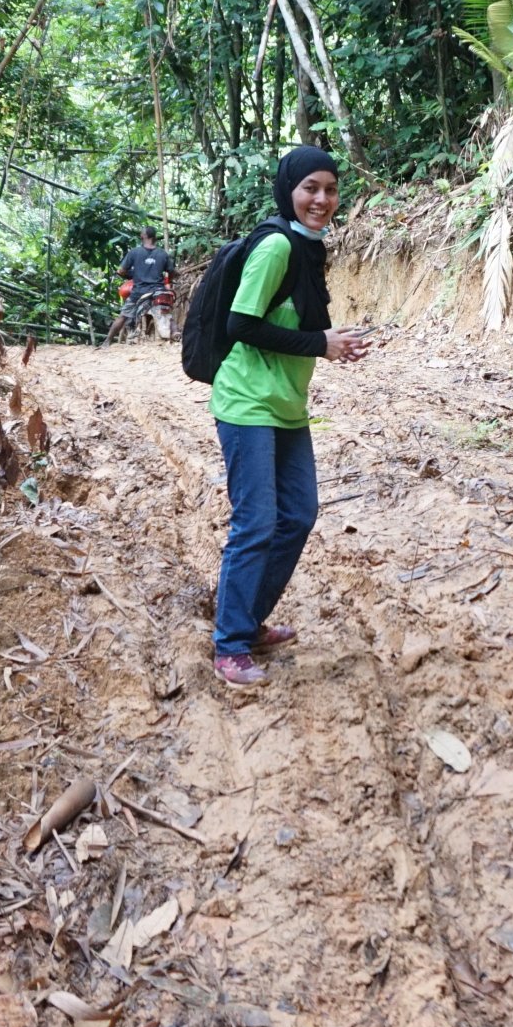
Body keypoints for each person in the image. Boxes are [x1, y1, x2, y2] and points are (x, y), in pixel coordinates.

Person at [208, 147, 368, 686]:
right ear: (288, 190)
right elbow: (240, 325)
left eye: (329, 189)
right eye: (310, 189)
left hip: (285, 406)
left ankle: (247, 620)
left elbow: (294, 323)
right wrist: (320, 344)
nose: (321, 199)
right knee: (256, 522)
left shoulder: (309, 247)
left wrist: (330, 343)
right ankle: (230, 643)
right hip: (247, 403)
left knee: (297, 515)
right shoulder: (277, 245)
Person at [117, 227, 175, 339]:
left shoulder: (134, 252)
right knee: (168, 315)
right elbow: (171, 272)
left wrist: (131, 275)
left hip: (139, 292)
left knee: (123, 316)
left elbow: (122, 271)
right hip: (158, 291)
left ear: (143, 236)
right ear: (155, 237)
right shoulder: (163, 254)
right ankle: (175, 332)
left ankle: (107, 341)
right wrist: (170, 280)